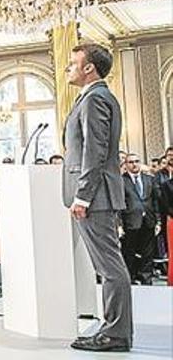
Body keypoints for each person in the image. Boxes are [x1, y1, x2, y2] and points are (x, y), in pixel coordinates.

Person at [62, 43, 131, 352]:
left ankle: (115, 335)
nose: (68, 68)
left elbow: (96, 151)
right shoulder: (94, 97)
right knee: (108, 267)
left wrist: (83, 196)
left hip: (97, 196)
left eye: (73, 63)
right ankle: (113, 330)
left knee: (110, 268)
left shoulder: (95, 99)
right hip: (99, 195)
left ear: (89, 68)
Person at [121, 154, 159, 284]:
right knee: (129, 252)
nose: (134, 164)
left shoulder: (149, 179)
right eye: (131, 162)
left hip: (148, 220)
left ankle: (146, 279)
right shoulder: (121, 181)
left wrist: (158, 220)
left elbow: (155, 201)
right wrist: (119, 224)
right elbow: (120, 204)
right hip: (130, 221)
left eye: (137, 161)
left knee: (148, 253)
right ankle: (130, 279)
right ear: (126, 165)